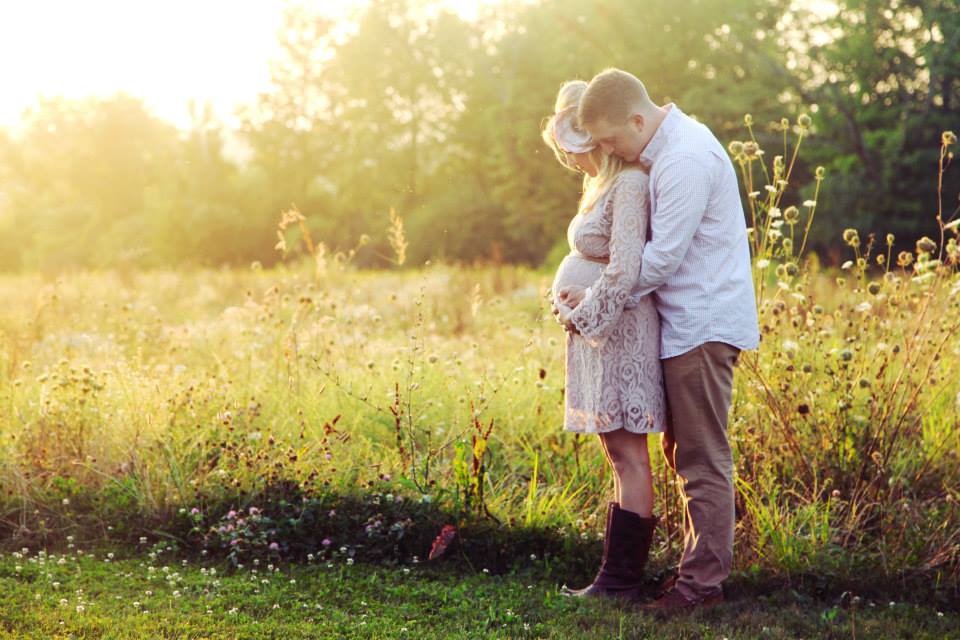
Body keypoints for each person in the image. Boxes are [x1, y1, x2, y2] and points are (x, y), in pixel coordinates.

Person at [557, 67, 761, 615]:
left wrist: (594, 305)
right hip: (681, 324)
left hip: (703, 323)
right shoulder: (662, 150)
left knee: (701, 458)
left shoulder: (683, 159)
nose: (606, 151)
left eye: (610, 139)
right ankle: (691, 572)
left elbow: (660, 258)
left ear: (638, 119)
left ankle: (700, 588)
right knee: (681, 452)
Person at [541, 79, 667, 603]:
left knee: (629, 453)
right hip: (596, 331)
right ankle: (613, 579)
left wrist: (582, 315)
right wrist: (564, 303)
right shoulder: (601, 188)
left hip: (620, 332)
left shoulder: (631, 186)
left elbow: (625, 270)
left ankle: (622, 583)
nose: (573, 162)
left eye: (578, 151)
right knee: (617, 452)